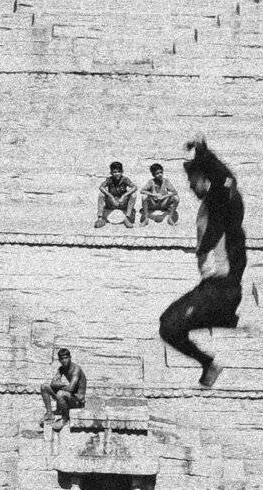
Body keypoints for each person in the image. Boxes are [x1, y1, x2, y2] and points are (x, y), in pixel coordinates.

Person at [158, 137, 246, 389]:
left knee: (169, 326)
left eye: (192, 179)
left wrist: (204, 153)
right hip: (212, 287)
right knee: (167, 324)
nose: (189, 185)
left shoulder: (223, 203)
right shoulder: (210, 205)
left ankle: (223, 333)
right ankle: (225, 323)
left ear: (206, 178)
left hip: (221, 288)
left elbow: (227, 181)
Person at [39, 348, 87, 431]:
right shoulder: (61, 369)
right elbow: (52, 383)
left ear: (70, 357)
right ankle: (49, 414)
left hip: (78, 401)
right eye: (62, 359)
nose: (64, 360)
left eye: (66, 358)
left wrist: (60, 385)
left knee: (60, 393)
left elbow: (71, 388)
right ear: (59, 360)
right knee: (44, 387)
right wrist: (63, 385)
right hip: (70, 396)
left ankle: (64, 419)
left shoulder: (76, 369)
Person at [95, 161, 138, 229]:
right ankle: (100, 218)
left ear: (122, 172)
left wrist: (124, 196)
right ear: (111, 173)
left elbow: (134, 187)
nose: (117, 174)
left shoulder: (125, 179)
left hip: (122, 202)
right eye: (114, 172)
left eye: (119, 172)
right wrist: (111, 196)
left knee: (134, 195)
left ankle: (127, 218)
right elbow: (101, 187)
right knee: (101, 194)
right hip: (112, 202)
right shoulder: (109, 179)